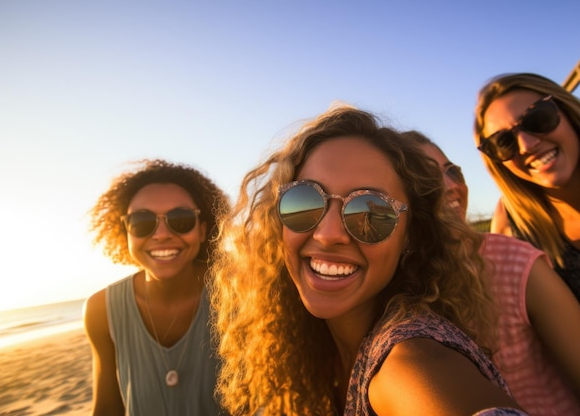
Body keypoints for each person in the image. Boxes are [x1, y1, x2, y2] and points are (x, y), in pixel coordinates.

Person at [209, 105, 528, 415]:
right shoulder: (310, 349)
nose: (328, 234)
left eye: (371, 212)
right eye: (304, 201)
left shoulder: (411, 359)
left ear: (411, 236)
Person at [404, 129, 580, 416]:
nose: (450, 186)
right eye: (427, 178)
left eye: (452, 171)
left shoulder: (513, 263)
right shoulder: (397, 285)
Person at [473, 72, 580, 369]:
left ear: (569, 113)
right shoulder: (515, 231)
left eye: (537, 119)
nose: (527, 145)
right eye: (503, 143)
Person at [84, 159, 229, 416]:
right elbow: (106, 409)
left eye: (181, 219)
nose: (162, 234)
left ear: (203, 230)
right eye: (142, 222)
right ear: (126, 232)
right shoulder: (101, 310)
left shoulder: (237, 296)